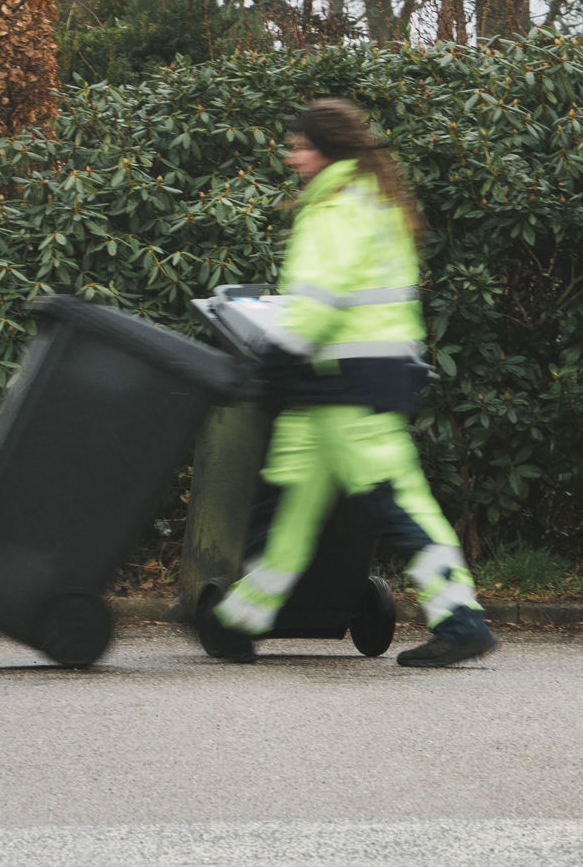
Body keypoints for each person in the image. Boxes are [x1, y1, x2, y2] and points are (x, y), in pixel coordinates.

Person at [203, 98, 498, 668]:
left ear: (324, 150)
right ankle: (242, 617)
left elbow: (320, 300)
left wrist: (274, 356)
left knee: (394, 501)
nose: (291, 158)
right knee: (289, 500)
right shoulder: (369, 200)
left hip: (348, 380)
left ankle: (462, 621)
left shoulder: (338, 207)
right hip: (346, 379)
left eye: (299, 147)